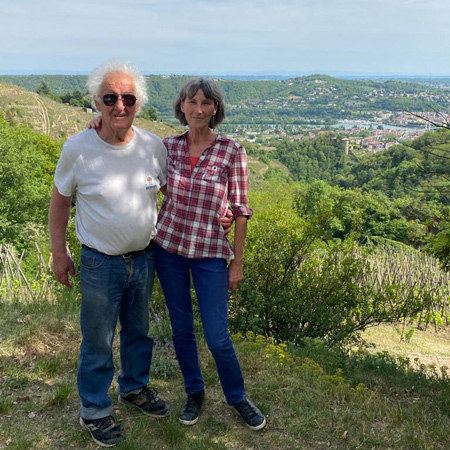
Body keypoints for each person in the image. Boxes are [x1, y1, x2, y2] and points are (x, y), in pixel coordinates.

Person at [49, 60, 170, 447]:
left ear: (139, 103)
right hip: (100, 262)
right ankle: (94, 409)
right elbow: (60, 203)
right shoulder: (77, 149)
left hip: (145, 257)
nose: (120, 105)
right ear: (97, 102)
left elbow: (173, 193)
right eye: (110, 97)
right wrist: (59, 252)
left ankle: (133, 389)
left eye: (128, 97)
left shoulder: (153, 146)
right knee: (98, 338)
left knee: (139, 332)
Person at [154, 77, 266, 430]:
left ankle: (237, 397)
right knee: (181, 328)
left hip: (210, 253)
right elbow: (130, 161)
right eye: (192, 102)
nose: (198, 109)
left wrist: (238, 262)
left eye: (206, 103)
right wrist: (98, 123)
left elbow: (242, 209)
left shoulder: (231, 150)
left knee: (218, 337)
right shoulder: (166, 147)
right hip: (169, 248)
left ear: (215, 108)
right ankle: (194, 392)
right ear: (181, 107)